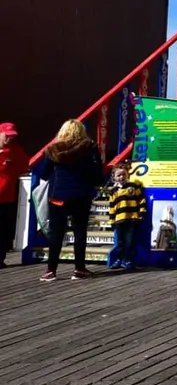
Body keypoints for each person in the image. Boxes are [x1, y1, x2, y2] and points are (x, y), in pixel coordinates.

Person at [33, 119, 104, 282]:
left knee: (56, 233)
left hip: (58, 196)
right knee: (79, 232)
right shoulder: (89, 148)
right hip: (81, 194)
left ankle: (51, 271)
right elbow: (97, 173)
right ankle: (79, 269)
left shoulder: (53, 150)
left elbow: (44, 173)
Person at [106, 165, 146, 271]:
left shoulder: (132, 187)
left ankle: (127, 260)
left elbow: (141, 200)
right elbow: (112, 207)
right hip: (119, 219)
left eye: (124, 174)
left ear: (127, 174)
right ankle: (119, 259)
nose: (121, 177)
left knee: (129, 241)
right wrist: (112, 220)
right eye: (118, 175)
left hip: (132, 218)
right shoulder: (113, 191)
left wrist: (141, 213)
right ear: (114, 177)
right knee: (119, 241)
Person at [0, 123, 29, 267]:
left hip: (7, 197)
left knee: (4, 229)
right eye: (7, 135)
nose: (9, 139)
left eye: (12, 136)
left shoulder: (15, 151)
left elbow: (23, 167)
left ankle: (0, 258)